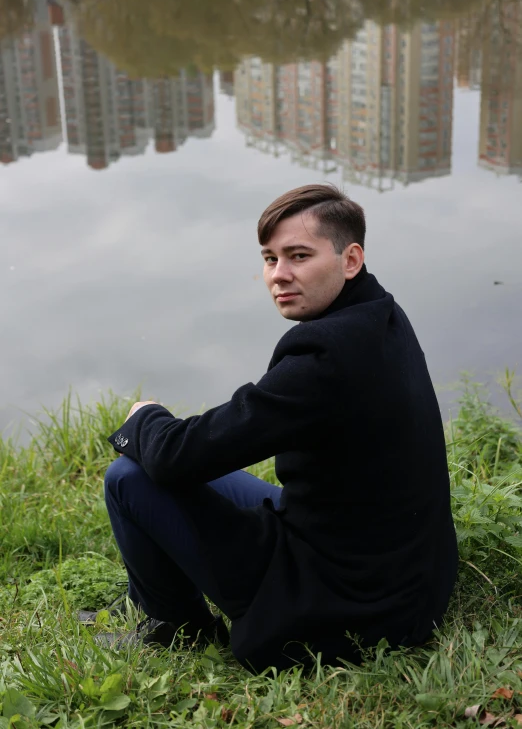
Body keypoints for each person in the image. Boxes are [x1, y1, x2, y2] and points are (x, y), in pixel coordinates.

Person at [89, 183, 458, 673]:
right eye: (269, 258)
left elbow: (178, 456)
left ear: (350, 259)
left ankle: (177, 629)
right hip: (405, 574)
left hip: (352, 602)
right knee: (174, 471)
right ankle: (157, 604)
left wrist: (145, 416)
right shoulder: (379, 313)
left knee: (130, 477)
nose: (278, 275)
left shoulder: (325, 357)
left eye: (299, 256)